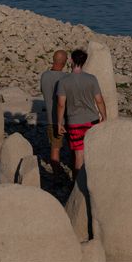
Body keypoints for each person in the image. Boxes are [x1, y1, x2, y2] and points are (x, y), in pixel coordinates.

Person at [56, 49, 107, 179]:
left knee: (79, 154)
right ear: (84, 62)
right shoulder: (91, 79)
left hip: (74, 122)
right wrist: (104, 116)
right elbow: (99, 100)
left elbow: (61, 104)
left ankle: (78, 185)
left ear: (71, 61)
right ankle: (93, 180)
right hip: (92, 120)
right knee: (91, 151)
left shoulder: (64, 81)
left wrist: (59, 122)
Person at [40, 50, 68, 176]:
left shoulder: (44, 76)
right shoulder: (66, 78)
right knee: (74, 147)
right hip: (66, 118)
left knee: (55, 147)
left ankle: (57, 174)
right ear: (65, 62)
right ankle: (74, 172)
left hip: (51, 118)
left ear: (53, 59)